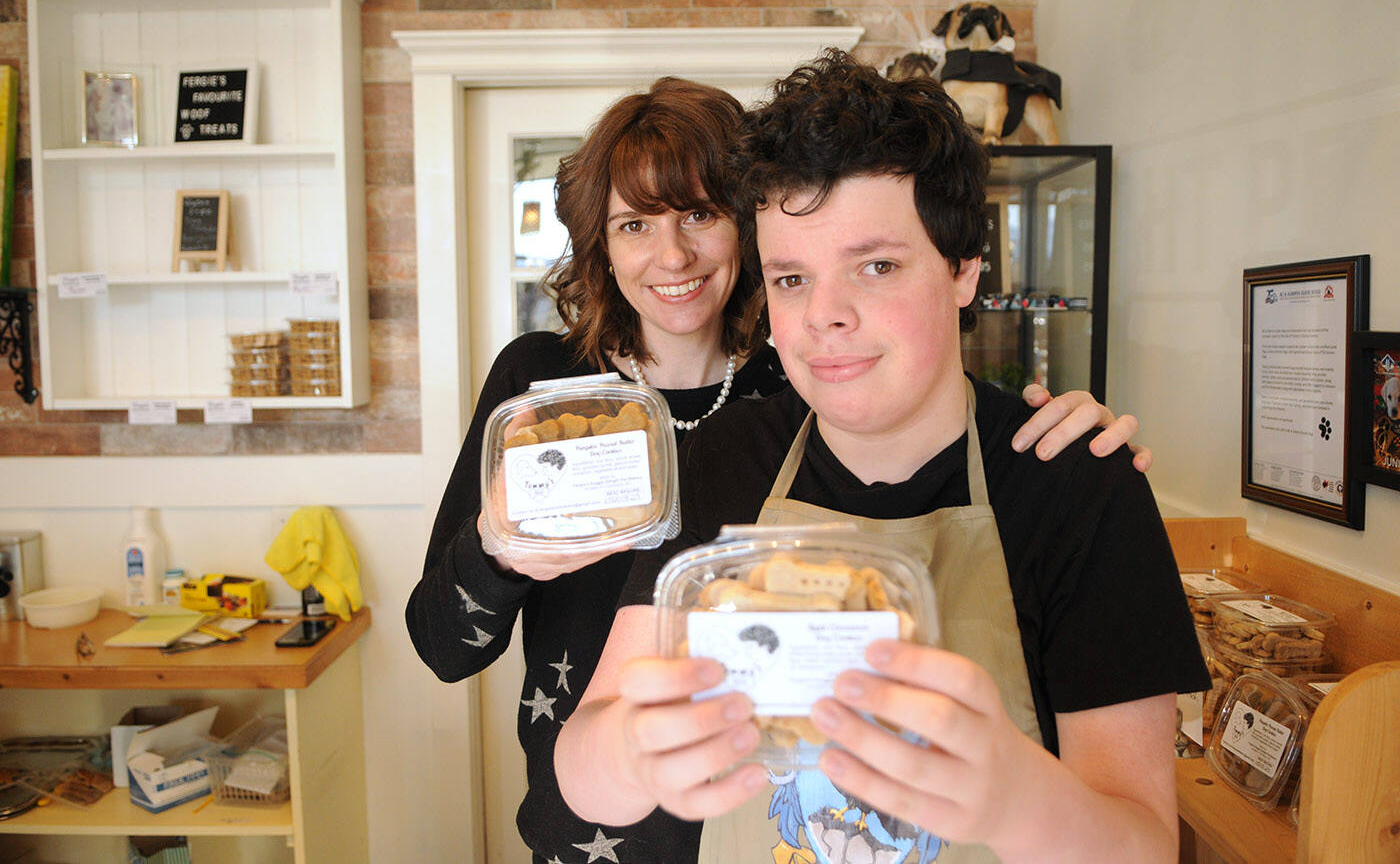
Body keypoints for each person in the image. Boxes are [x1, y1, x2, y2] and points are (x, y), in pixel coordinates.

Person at [407, 77, 1152, 863]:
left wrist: (1072, 448)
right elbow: (448, 648)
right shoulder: (557, 395)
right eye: (635, 224)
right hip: (604, 831)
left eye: (699, 213)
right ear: (602, 241)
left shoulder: (799, 385)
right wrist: (497, 553)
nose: (672, 253)